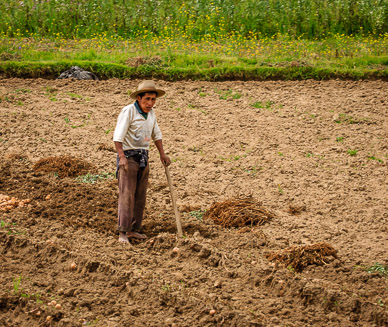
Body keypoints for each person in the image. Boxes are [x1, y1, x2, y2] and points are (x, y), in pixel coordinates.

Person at [113, 80, 171, 243]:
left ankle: (134, 229)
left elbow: (156, 135)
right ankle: (123, 232)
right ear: (139, 98)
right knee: (127, 195)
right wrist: (122, 157)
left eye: (153, 99)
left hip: (143, 156)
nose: (150, 103)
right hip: (129, 156)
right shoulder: (129, 111)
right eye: (147, 99)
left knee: (140, 195)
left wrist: (162, 154)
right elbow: (118, 136)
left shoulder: (151, 114)